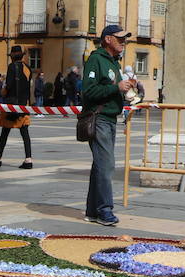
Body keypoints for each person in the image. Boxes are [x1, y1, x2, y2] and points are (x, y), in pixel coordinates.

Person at [80, 24, 137, 227]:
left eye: (125, 38)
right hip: (99, 118)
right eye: (119, 38)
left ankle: (92, 211)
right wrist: (116, 87)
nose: (124, 41)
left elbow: (114, 89)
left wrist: (129, 88)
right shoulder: (96, 60)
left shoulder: (114, 63)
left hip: (110, 119)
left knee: (100, 165)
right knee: (106, 165)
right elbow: (88, 91)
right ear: (107, 39)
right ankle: (105, 210)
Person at [0, 45, 31, 169]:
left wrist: (3, 92)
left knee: (5, 132)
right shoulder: (28, 68)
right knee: (25, 132)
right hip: (24, 104)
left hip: (12, 104)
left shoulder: (12, 67)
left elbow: (9, 85)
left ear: (13, 57)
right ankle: (28, 159)